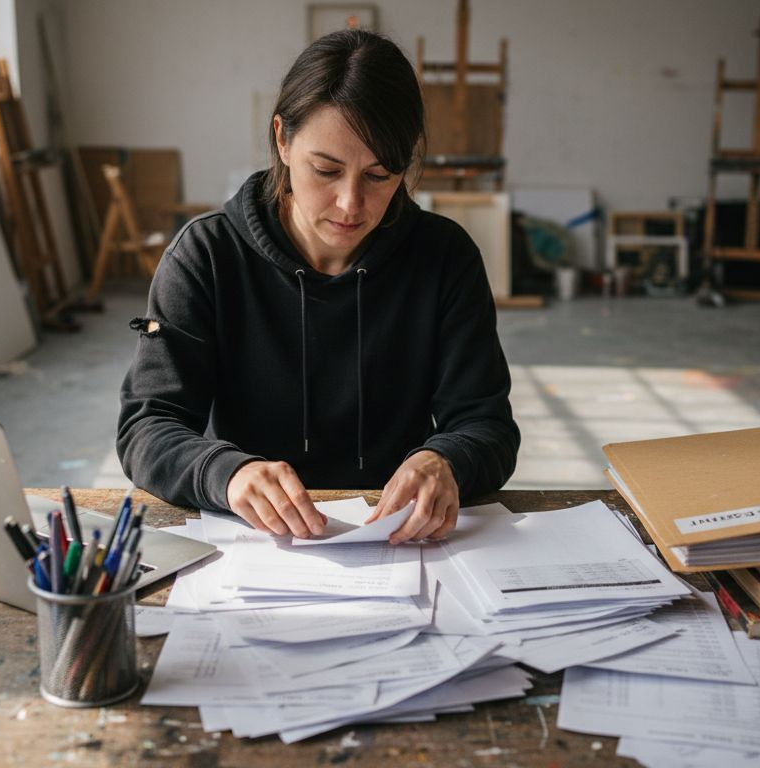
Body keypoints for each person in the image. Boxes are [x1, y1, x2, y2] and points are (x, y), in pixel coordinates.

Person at [117, 29, 518, 545]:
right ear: (282, 139)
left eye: (379, 176)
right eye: (326, 170)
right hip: (253, 542)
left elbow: (488, 424)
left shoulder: (444, 257)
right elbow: (148, 427)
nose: (351, 204)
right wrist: (227, 472)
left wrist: (446, 459)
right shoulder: (207, 256)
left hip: (397, 539)